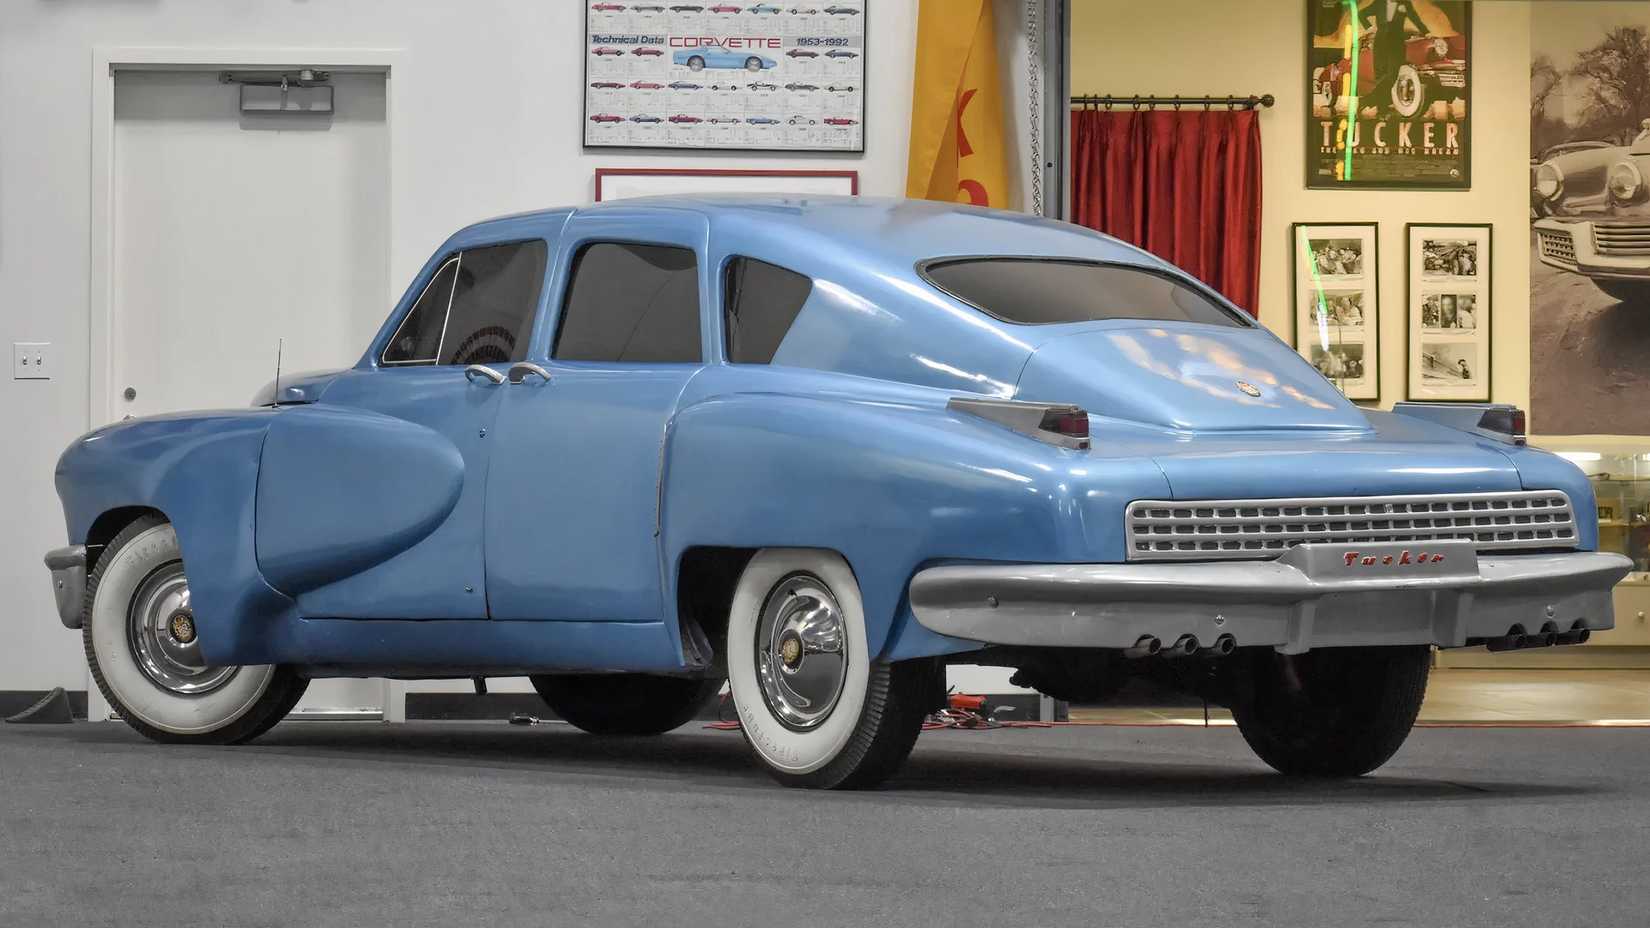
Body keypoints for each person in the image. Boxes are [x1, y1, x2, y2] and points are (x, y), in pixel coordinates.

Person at [1359, 0, 1429, 113]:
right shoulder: (1378, 3)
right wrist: (1370, 27)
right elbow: (1361, 14)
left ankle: (1366, 101)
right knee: (1380, 75)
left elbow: (1414, 17)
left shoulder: (1405, 3)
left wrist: (1426, 32)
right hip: (1380, 42)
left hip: (1397, 42)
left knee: (1393, 75)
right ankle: (1382, 109)